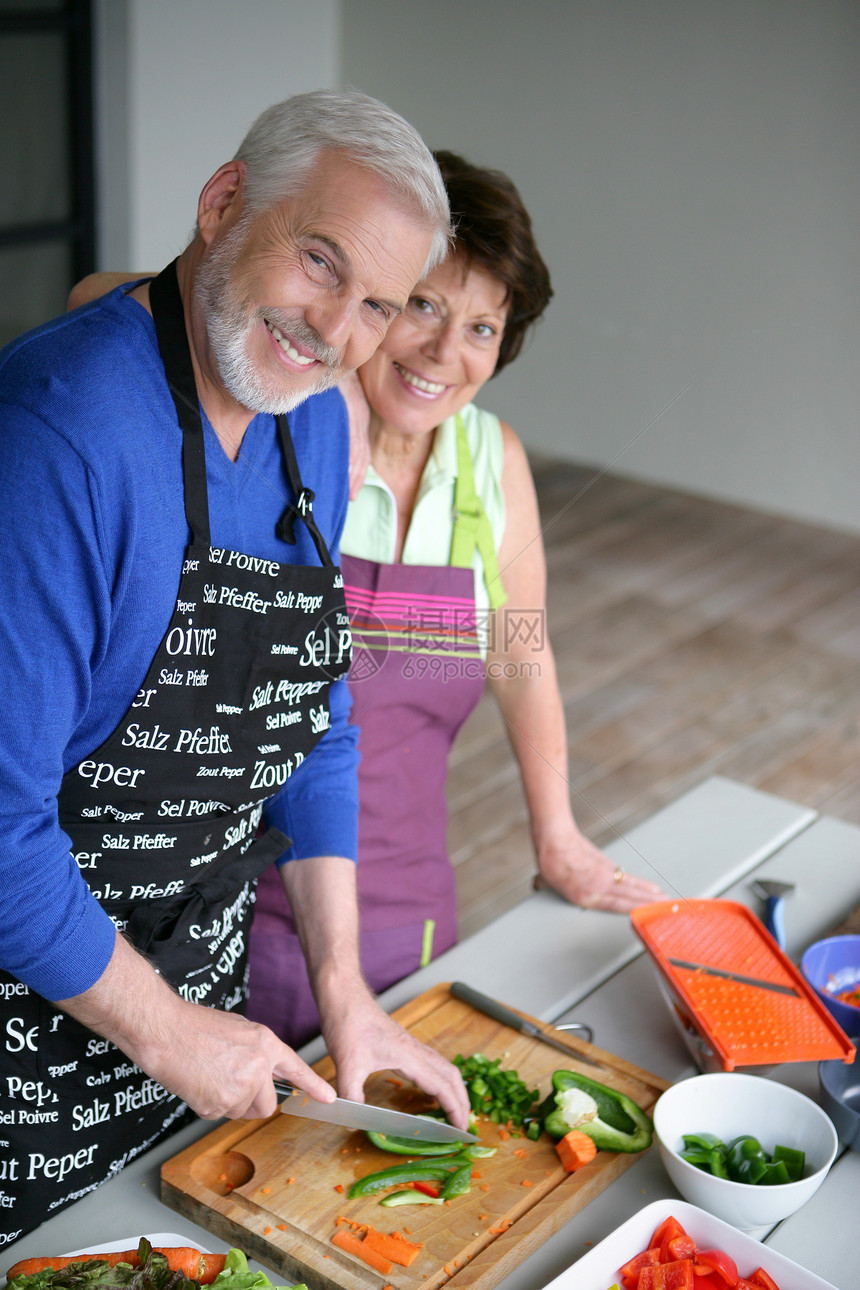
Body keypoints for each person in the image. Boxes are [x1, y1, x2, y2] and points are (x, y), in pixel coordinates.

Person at [0, 89, 470, 1241]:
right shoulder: (59, 438)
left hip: (201, 1048)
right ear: (224, 204)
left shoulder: (312, 413)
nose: (337, 334)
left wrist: (346, 995)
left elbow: (314, 720)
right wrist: (163, 1030)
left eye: (376, 307)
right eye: (319, 263)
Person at [247, 152, 665, 1047]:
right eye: (424, 305)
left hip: (409, 903)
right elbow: (99, 295)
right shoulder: (282, 417)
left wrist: (556, 837)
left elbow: (520, 653)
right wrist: (328, 382)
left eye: (482, 327)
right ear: (373, 301)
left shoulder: (488, 458)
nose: (444, 352)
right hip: (238, 901)